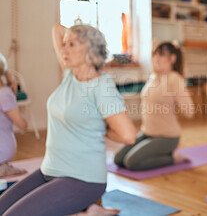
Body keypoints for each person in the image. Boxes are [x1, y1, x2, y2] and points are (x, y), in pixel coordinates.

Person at [0, 23, 137, 215]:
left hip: (83, 179)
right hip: (49, 170)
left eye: (72, 45)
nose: (64, 49)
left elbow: (129, 136)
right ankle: (89, 210)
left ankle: (87, 206)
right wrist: (77, 37)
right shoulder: (69, 75)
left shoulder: (101, 88)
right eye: (65, 44)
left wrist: (99, 127)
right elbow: (56, 28)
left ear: (90, 49)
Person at [114, 42, 194, 171]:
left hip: (167, 137)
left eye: (161, 55)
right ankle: (160, 153)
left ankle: (173, 158)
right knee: (118, 159)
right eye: (155, 55)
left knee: (131, 162)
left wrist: (179, 99)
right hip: (147, 133)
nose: (156, 58)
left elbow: (189, 112)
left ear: (172, 58)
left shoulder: (175, 79)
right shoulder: (153, 77)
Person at [0, 53, 28, 178]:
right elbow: (22, 125)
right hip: (4, 149)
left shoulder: (5, 94)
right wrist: (10, 79)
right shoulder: (5, 94)